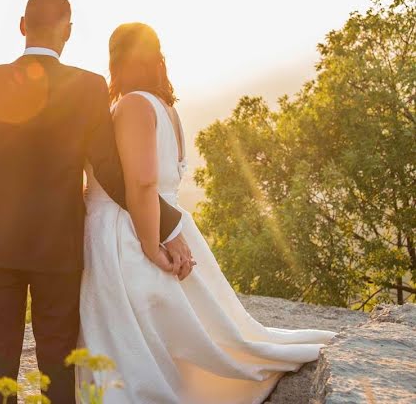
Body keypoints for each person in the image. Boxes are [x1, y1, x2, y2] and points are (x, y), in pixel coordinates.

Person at [0, 0, 189, 404]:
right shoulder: (88, 87)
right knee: (59, 363)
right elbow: (112, 172)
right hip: (57, 249)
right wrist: (168, 223)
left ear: (23, 26)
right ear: (69, 31)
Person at [79, 22, 335, 403]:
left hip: (128, 230)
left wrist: (153, 244)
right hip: (160, 219)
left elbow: (143, 183)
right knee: (164, 330)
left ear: (116, 59)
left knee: (125, 336)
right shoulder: (166, 108)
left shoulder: (133, 104)